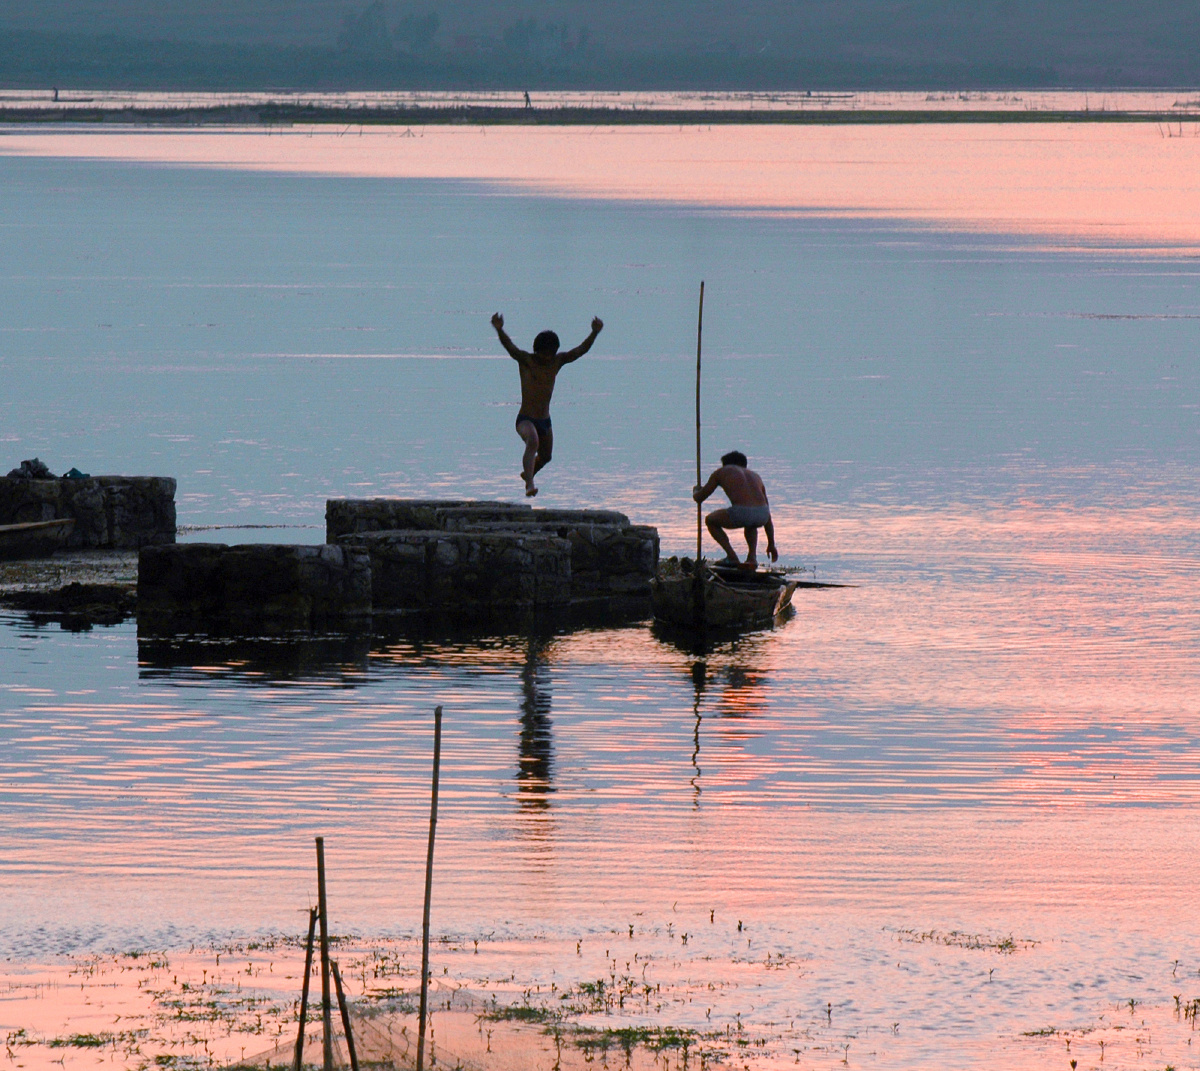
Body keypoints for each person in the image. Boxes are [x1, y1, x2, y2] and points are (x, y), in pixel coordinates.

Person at [490, 312, 603, 496]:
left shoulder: (557, 362)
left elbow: (580, 350)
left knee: (546, 457)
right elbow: (510, 347)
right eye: (544, 355)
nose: (547, 359)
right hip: (525, 419)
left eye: (551, 355)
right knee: (532, 442)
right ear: (537, 351)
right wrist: (500, 329)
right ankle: (529, 485)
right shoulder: (527, 360)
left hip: (545, 420)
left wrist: (594, 333)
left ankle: (528, 473)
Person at [693, 450, 779, 567]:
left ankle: (732, 556)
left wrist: (696, 490)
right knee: (751, 523)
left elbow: (700, 497)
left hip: (742, 512)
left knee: (710, 520)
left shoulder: (721, 472)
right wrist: (771, 544)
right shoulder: (755, 476)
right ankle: (752, 558)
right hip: (762, 514)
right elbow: (767, 514)